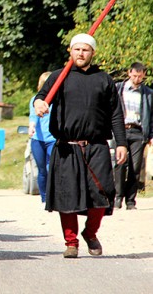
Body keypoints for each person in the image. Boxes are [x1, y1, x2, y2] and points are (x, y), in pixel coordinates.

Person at [34, 33, 127, 258]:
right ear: (70, 51)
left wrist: (122, 143)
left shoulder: (104, 79)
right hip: (66, 147)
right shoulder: (59, 76)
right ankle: (71, 242)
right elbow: (41, 96)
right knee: (68, 197)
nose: (81, 53)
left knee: (103, 192)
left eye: (85, 50)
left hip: (97, 146)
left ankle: (90, 232)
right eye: (77, 49)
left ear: (92, 53)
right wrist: (39, 104)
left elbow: (116, 114)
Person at [113, 62, 153, 210]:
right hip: (120, 130)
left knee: (135, 167)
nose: (137, 79)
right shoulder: (118, 89)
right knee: (120, 164)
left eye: (140, 76)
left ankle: (130, 200)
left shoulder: (148, 93)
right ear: (129, 73)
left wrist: (150, 135)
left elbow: (151, 116)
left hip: (138, 131)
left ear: (143, 75)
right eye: (134, 75)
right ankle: (117, 197)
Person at [29, 71, 56, 203]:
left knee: (51, 167)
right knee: (42, 170)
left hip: (53, 139)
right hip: (38, 139)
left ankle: (53, 196)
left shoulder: (57, 100)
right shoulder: (35, 100)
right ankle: (44, 197)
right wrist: (31, 126)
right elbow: (33, 116)